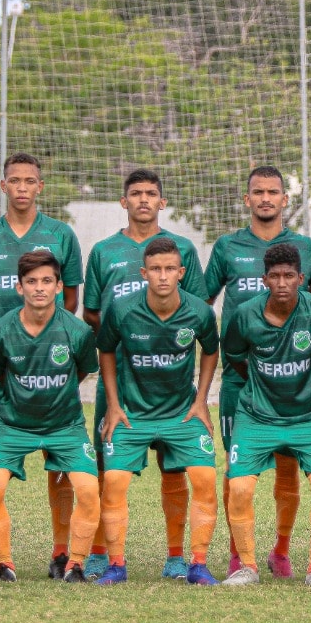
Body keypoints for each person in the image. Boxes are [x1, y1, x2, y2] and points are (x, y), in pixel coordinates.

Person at [0, 152, 84, 581]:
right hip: (1, 374)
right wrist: (1, 344)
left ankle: (61, 552)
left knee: (64, 464)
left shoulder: (60, 234)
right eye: (14, 180)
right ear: (3, 186)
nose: (22, 188)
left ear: (40, 187)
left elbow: (70, 301)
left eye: (29, 181)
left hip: (50, 371)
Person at [82, 169, 207, 580]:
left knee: (174, 466)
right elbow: (95, 315)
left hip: (171, 380)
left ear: (162, 202)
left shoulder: (183, 249)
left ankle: (176, 557)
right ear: (124, 201)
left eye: (151, 194)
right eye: (135, 193)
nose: (142, 200)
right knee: (108, 463)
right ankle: (102, 551)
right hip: (120, 376)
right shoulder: (103, 250)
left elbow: (196, 314)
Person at [205, 165, 311, 579]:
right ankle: (240, 554)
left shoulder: (304, 246)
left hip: (293, 377)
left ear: (284, 199)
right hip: (241, 376)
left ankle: (281, 549)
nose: (266, 198)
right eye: (258, 191)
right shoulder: (227, 247)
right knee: (237, 466)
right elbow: (203, 300)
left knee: (289, 464)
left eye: (274, 191)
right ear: (247, 199)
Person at [96, 237, 221, 586]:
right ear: (143, 273)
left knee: (205, 480)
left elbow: (211, 349)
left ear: (181, 272)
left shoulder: (199, 311)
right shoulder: (122, 309)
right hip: (132, 414)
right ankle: (117, 565)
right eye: (155, 269)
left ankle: (197, 564)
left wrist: (201, 401)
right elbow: (105, 350)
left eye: (169, 269)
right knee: (114, 482)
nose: (163, 276)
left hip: (182, 413)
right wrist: (113, 404)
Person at [221, 243, 311, 587]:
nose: (283, 282)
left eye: (290, 275)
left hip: (307, 416)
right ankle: (247, 567)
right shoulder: (244, 315)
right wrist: (263, 387)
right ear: (264, 280)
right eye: (275, 276)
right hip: (257, 415)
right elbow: (234, 355)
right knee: (240, 487)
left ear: (301, 278)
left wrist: (309, 387)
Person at [0, 250, 100, 583]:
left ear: (59, 286)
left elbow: (84, 371)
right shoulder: (0, 332)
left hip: (65, 425)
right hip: (12, 425)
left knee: (88, 490)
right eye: (31, 282)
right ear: (19, 288)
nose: (39, 288)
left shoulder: (77, 331)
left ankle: (73, 563)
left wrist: (54, 400)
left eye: (47, 281)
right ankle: (4, 564)